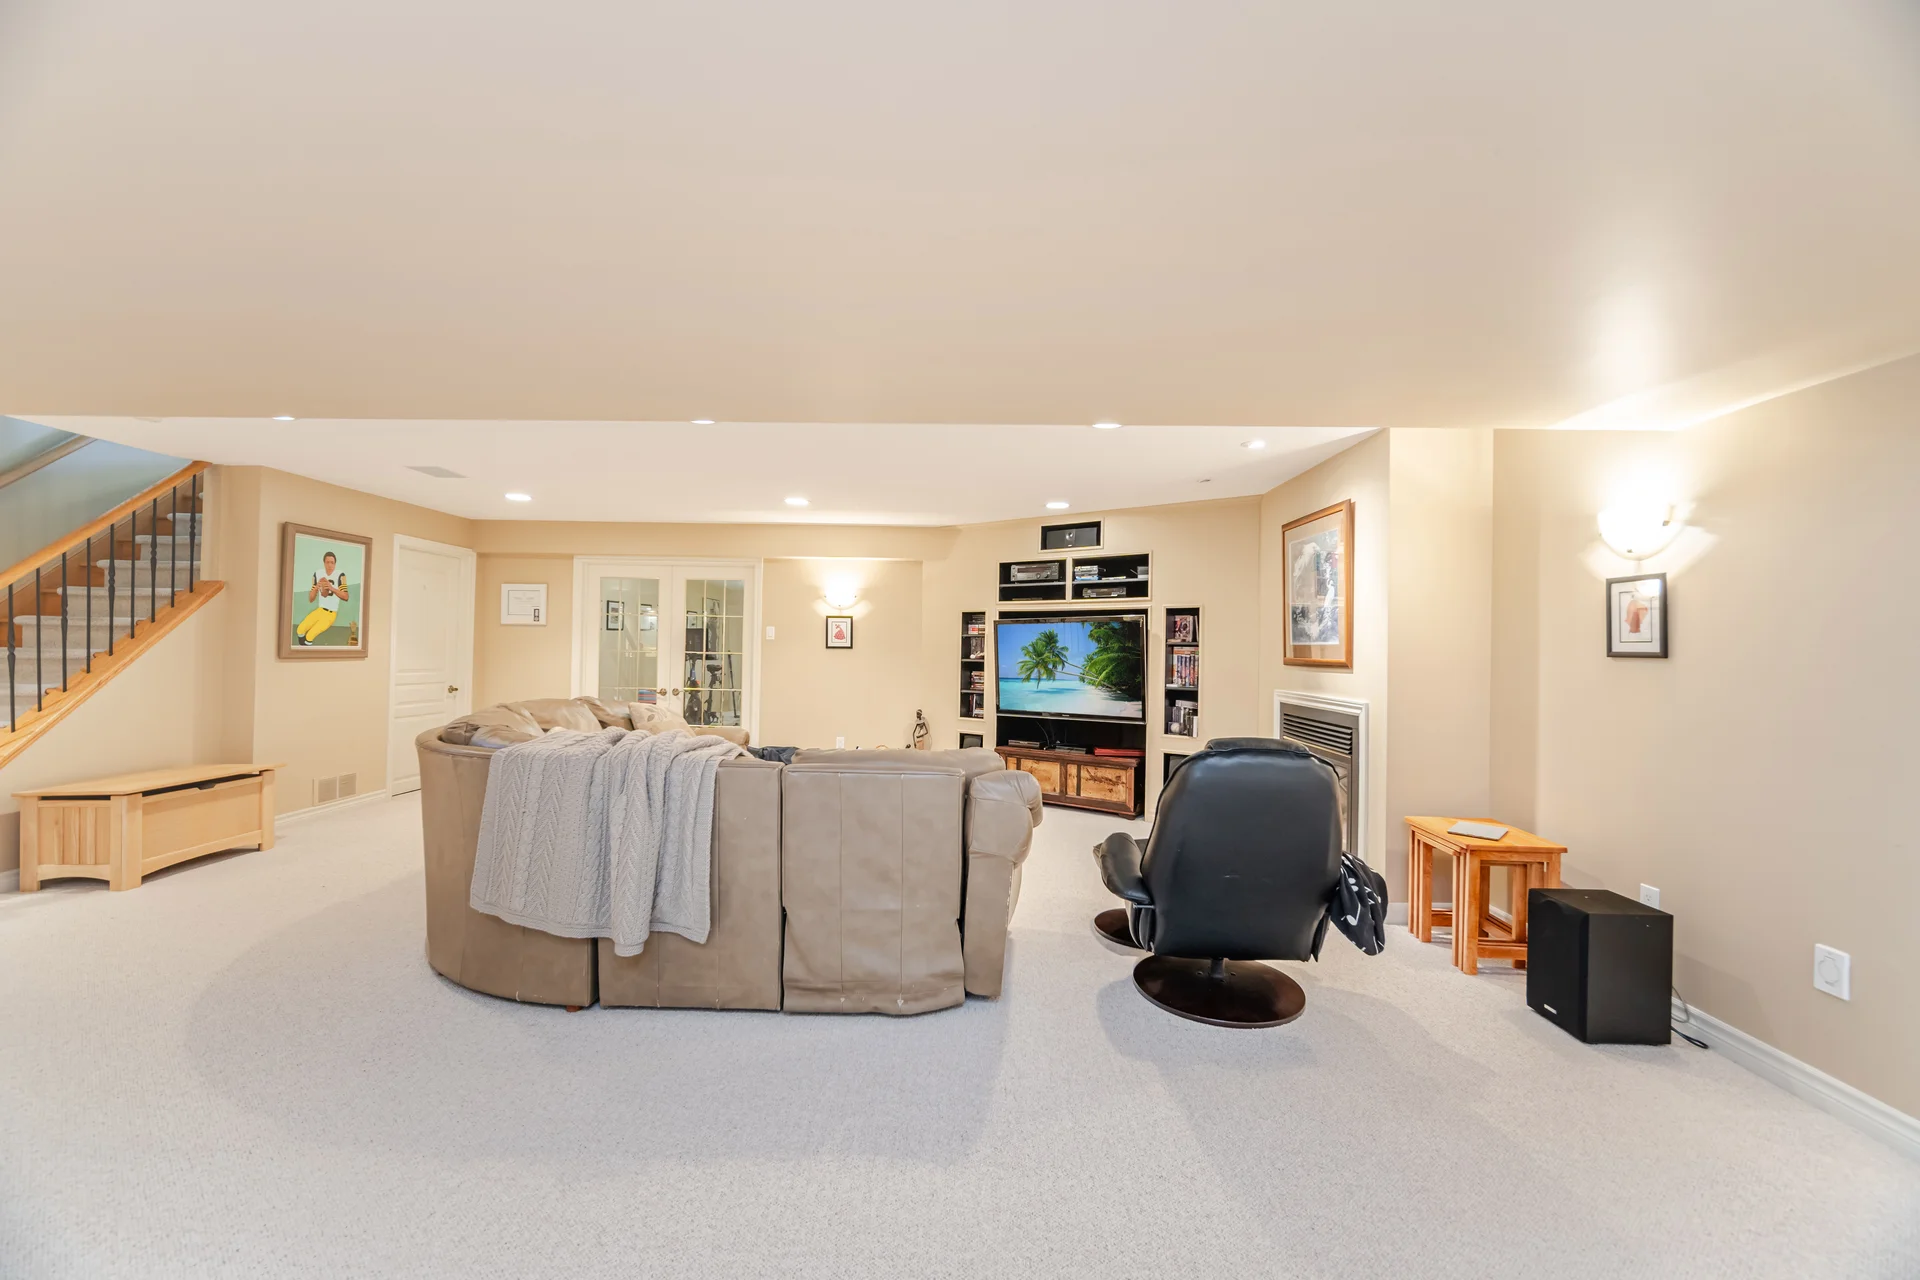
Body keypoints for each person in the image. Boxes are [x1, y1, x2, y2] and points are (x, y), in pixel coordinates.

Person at [295, 550, 350, 645]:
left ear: (335, 564)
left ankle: (305, 649)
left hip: (331, 613)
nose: (330, 565)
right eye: (327, 562)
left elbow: (346, 597)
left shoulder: (340, 575)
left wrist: (331, 588)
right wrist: (316, 587)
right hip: (320, 610)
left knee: (310, 636)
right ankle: (301, 649)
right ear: (324, 563)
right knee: (300, 630)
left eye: (332, 562)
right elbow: (311, 599)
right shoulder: (318, 574)